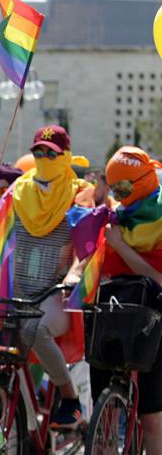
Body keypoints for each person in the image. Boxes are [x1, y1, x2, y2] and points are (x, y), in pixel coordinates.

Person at [0, 125, 96, 429]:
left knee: (36, 330)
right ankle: (21, 419)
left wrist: (75, 274)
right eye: (38, 151)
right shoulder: (19, 190)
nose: (44, 156)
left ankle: (70, 398)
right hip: (19, 287)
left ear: (65, 156)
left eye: (52, 153)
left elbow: (88, 244)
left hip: (57, 291)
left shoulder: (79, 192)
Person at [91, 146, 162, 453]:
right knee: (103, 410)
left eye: (125, 187)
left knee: (151, 420)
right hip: (115, 315)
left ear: (144, 180)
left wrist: (120, 246)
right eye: (114, 188)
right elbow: (92, 257)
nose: (119, 196)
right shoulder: (116, 217)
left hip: (153, 322)